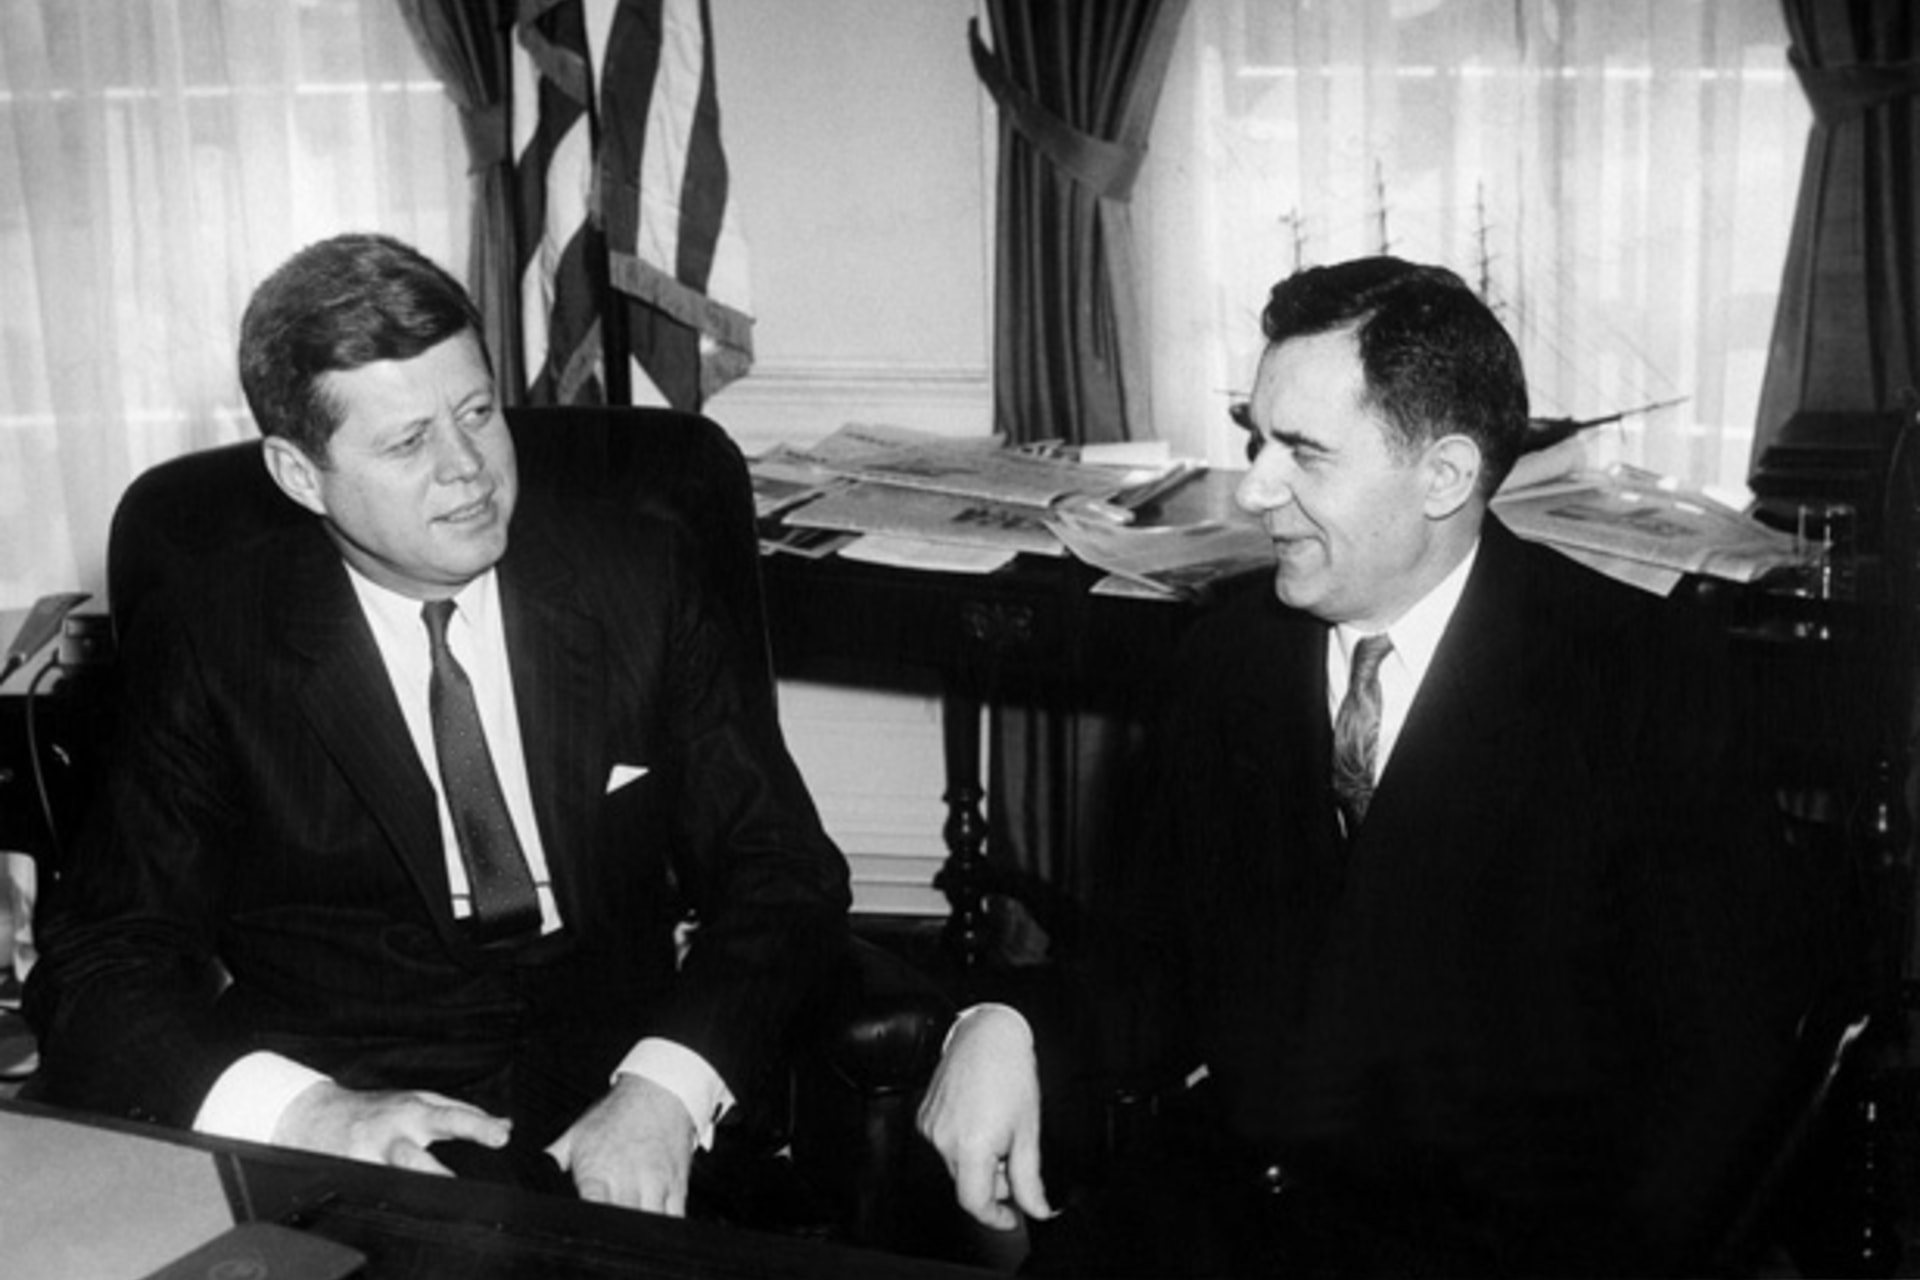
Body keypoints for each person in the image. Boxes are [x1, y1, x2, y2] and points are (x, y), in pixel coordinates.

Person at [919, 256, 1831, 1275]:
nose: (1255, 489)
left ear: (1444, 475)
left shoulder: (1644, 684)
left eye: (1304, 454)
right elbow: (1155, 961)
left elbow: (1719, 1080)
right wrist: (1009, 1022)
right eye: (1255, 438)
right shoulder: (1228, 658)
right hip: (1231, 1213)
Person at [25, 232, 852, 1219]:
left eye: (477, 413)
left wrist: (668, 1086)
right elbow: (103, 959)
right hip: (360, 1119)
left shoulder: (638, 577)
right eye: (408, 442)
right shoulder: (215, 640)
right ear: (299, 474)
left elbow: (781, 870)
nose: (469, 470)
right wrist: (302, 1114)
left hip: (628, 1085)